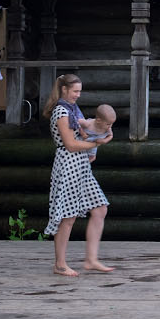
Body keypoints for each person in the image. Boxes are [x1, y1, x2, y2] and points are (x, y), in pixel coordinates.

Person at [46, 73, 115, 276]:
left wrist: (104, 129)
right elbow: (70, 144)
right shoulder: (61, 112)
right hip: (68, 163)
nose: (78, 95)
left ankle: (91, 260)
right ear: (64, 89)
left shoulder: (73, 108)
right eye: (75, 91)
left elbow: (87, 128)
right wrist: (96, 143)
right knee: (68, 216)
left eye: (80, 91)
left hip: (81, 164)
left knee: (100, 208)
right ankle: (60, 264)